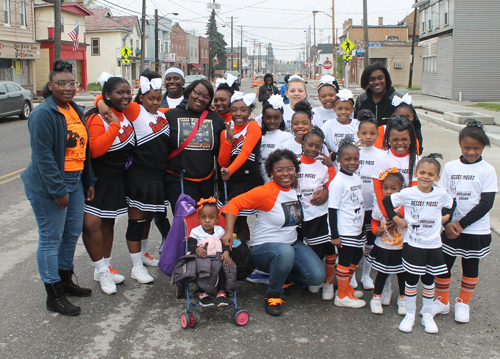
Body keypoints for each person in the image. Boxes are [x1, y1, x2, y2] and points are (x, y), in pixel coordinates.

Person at [21, 59, 95, 316]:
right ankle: (53, 293)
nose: (67, 88)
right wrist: (58, 191)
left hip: (75, 183)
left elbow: (83, 150)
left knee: (71, 234)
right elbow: (43, 157)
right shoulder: (43, 114)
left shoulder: (75, 109)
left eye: (71, 83)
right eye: (61, 83)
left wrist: (88, 182)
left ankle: (64, 280)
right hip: (50, 186)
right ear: (50, 85)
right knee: (51, 239)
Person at [221, 149, 325, 316]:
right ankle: (273, 294)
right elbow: (234, 203)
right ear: (271, 172)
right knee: (285, 252)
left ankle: (282, 276)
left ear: (295, 170)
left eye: (290, 169)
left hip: (291, 244)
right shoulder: (266, 192)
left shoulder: (295, 188)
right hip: (264, 249)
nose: (285, 173)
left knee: (316, 276)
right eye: (279, 170)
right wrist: (228, 232)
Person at [94, 70, 171, 284]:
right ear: (140, 98)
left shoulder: (162, 114)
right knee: (137, 221)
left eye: (158, 98)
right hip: (140, 175)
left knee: (147, 219)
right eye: (150, 99)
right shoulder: (136, 111)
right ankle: (136, 267)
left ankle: (143, 256)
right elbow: (104, 97)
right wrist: (101, 102)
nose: (155, 102)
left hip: (158, 176)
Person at [433, 119, 497, 324]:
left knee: (470, 266)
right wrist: (447, 223)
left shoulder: (487, 170)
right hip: (450, 227)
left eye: (477, 148)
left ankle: (463, 302)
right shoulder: (450, 167)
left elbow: (486, 203)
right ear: (460, 143)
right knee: (443, 265)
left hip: (475, 229)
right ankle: (442, 301)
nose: (471, 152)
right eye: (467, 147)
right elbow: (443, 197)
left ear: (483, 147)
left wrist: (461, 225)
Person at [383, 154, 455, 334]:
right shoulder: (408, 193)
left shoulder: (441, 194)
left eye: (431, 174)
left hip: (433, 246)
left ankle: (428, 315)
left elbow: (451, 205)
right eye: (422, 172)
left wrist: (445, 218)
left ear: (437, 178)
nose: (425, 177)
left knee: (429, 281)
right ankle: (410, 314)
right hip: (413, 245)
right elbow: (386, 201)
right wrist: (396, 219)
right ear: (415, 173)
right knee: (411, 280)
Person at [83, 73, 135, 294]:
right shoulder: (98, 118)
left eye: (128, 92)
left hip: (116, 178)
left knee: (108, 223)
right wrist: (113, 126)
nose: (125, 96)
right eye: (119, 92)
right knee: (91, 224)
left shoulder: (126, 114)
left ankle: (105, 266)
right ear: (107, 95)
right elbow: (95, 150)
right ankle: (101, 271)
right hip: (97, 178)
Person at [371, 114, 420, 304]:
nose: (400, 143)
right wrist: (388, 215)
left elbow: (416, 191)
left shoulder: (416, 159)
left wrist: (398, 215)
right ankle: (384, 289)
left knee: (401, 259)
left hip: (405, 215)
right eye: (395, 139)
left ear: (411, 140)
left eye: (404, 139)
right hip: (386, 213)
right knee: (386, 258)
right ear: (388, 139)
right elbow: (378, 189)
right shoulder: (382, 158)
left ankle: (403, 296)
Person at [164, 79, 225, 208]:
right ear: (189, 92)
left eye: (206, 97)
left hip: (206, 181)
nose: (201, 98)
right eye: (197, 93)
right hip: (179, 179)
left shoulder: (215, 119)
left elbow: (221, 154)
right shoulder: (170, 115)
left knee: (205, 224)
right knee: (186, 222)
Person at [295, 126, 336, 300]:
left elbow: (335, 185)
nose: (314, 149)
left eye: (318, 146)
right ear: (303, 143)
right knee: (312, 248)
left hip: (321, 214)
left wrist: (326, 189)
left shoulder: (325, 165)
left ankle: (328, 282)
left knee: (329, 248)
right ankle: (314, 278)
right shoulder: (294, 163)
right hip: (301, 214)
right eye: (310, 145)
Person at [218, 91, 263, 242]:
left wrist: (230, 170)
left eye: (243, 110)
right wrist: (228, 140)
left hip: (248, 179)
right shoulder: (226, 129)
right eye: (234, 110)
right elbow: (223, 162)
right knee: (231, 219)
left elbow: (245, 153)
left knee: (242, 219)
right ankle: (237, 252)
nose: (238, 114)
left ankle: (248, 250)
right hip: (231, 180)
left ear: (250, 112)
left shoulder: (253, 126)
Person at [328, 136, 366, 308]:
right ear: (339, 160)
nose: (353, 162)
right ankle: (342, 296)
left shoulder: (356, 178)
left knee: (356, 256)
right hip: (345, 230)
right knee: (344, 259)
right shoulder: (338, 182)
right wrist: (334, 235)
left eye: (356, 159)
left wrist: (363, 227)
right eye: (347, 159)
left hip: (356, 228)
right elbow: (332, 210)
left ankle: (347, 287)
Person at [368, 169, 406, 315]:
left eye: (393, 188)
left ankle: (403, 299)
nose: (389, 191)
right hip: (384, 246)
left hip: (401, 248)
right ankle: (376, 298)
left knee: (402, 275)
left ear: (401, 189)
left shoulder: (405, 207)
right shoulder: (380, 205)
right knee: (382, 273)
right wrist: (375, 229)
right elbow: (375, 220)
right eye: (385, 188)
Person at [354, 110, 382, 291]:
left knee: (371, 242)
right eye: (364, 133)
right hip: (355, 206)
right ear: (358, 134)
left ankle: (366, 275)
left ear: (378, 134)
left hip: (374, 207)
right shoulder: (353, 152)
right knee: (355, 241)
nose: (368, 137)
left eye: (372, 133)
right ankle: (350, 275)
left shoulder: (381, 155)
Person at [188, 198, 233, 307]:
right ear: (199, 218)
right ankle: (203, 293)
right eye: (203, 217)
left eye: (211, 217)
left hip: (217, 256)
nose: (207, 221)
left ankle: (221, 292)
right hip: (202, 256)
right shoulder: (195, 231)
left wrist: (226, 252)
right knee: (201, 268)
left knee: (225, 266)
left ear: (217, 218)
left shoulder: (220, 230)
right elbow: (191, 244)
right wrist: (196, 249)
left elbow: (225, 244)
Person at [354, 63, 422, 128]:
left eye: (380, 78)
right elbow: (355, 124)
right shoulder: (361, 99)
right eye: (372, 79)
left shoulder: (400, 99)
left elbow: (415, 127)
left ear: (386, 79)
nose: (377, 82)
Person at [258, 95, 293, 183]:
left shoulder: (287, 137)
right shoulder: (260, 137)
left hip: (280, 182)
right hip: (262, 182)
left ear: (281, 118)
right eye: (268, 118)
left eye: (276, 118)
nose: (272, 121)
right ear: (263, 118)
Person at [322, 89, 359, 168]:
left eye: (347, 109)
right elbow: (322, 142)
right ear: (334, 109)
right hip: (334, 165)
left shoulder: (357, 125)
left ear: (352, 109)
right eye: (340, 108)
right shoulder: (328, 125)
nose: (343, 112)